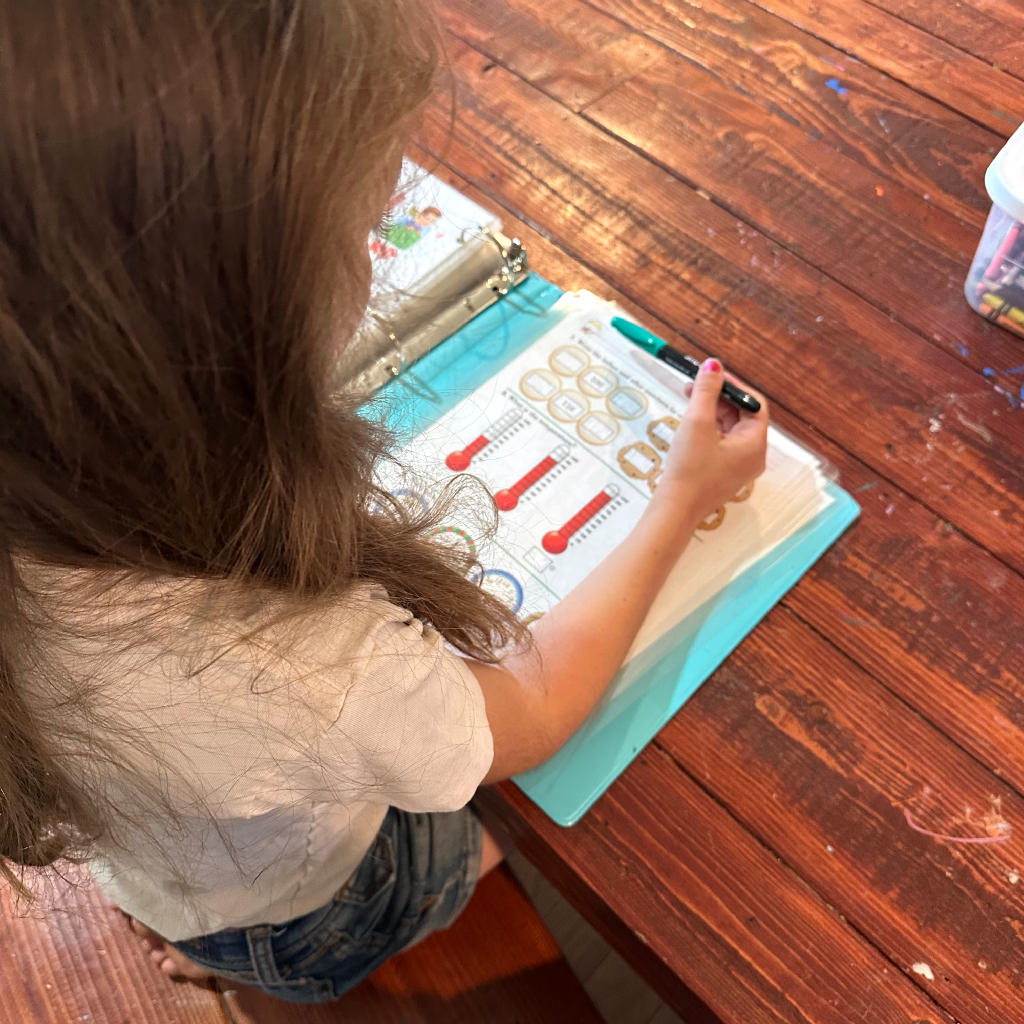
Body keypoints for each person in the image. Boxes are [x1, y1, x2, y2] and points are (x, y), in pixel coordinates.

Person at [0, 0, 768, 1005]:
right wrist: (677, 501)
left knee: (206, 879)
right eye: (362, 230)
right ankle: (361, 926)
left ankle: (209, 949)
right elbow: (528, 715)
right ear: (215, 341)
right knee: (476, 840)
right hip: (319, 905)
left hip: (167, 860)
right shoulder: (300, 659)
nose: (375, 257)